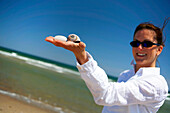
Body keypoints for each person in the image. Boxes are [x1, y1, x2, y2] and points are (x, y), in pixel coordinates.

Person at [45, 18, 169, 113]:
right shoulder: (126, 75)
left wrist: (82, 56)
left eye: (146, 44)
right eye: (135, 43)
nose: (139, 48)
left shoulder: (157, 84)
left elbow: (105, 94)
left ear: (159, 50)